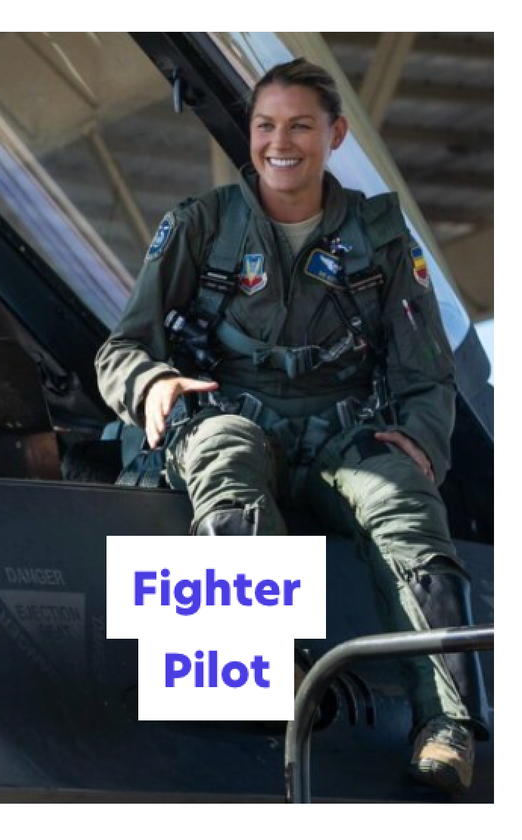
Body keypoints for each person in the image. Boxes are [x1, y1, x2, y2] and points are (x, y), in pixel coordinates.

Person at [95, 58, 489, 793]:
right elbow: (120, 350)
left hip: (344, 437)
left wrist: (422, 443)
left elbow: (426, 370)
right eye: (266, 125)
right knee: (225, 458)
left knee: (403, 501)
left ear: (335, 135)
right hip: (233, 418)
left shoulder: (380, 239)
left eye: (301, 126)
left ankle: (448, 725)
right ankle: (258, 671)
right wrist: (151, 383)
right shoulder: (202, 226)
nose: (281, 143)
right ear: (249, 134)